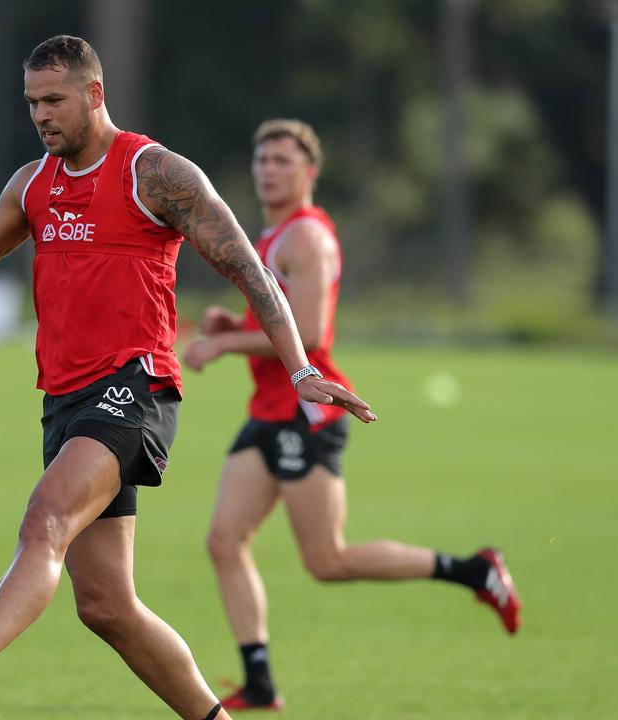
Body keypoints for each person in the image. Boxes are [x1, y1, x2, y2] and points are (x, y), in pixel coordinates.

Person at [0, 37, 375, 720]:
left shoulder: (154, 171)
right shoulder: (33, 183)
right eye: (31, 103)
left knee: (45, 518)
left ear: (95, 94)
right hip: (66, 400)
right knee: (109, 607)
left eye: (54, 100)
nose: (41, 116)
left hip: (136, 388)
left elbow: (251, 273)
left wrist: (301, 368)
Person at [184, 119, 522, 712]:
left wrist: (225, 345)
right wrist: (232, 325)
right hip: (269, 409)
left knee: (329, 561)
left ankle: (474, 571)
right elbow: (278, 320)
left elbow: (309, 334)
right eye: (262, 159)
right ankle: (259, 681)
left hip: (309, 409)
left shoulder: (306, 238)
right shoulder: (271, 236)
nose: (268, 169)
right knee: (224, 540)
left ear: (309, 172)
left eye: (283, 161)